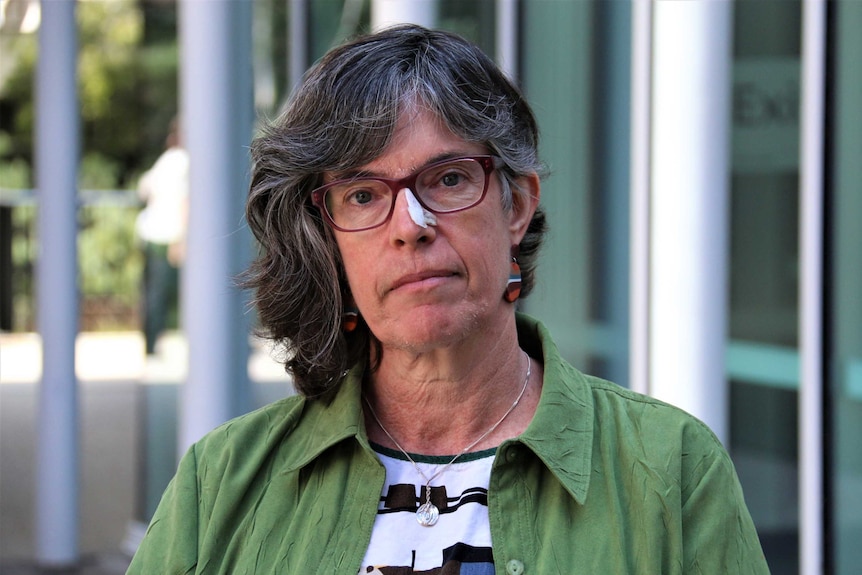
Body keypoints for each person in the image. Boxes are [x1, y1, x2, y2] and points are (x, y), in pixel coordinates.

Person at [127, 25, 769, 574]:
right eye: (363, 194)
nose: (411, 224)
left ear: (515, 204)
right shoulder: (222, 481)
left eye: (450, 178)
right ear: (328, 239)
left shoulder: (671, 470)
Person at [135, 119, 189, 355]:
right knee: (167, 294)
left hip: (150, 233)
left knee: (152, 293)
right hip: (169, 237)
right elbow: (185, 203)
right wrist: (182, 239)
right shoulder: (185, 163)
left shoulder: (165, 160)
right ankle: (153, 342)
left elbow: (143, 188)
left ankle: (149, 342)